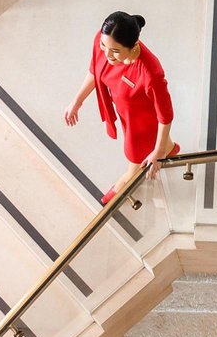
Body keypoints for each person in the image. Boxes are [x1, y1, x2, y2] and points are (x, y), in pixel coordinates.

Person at [63, 11, 178, 202]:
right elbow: (95, 71)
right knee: (154, 147)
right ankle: (169, 147)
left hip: (142, 125)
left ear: (132, 47)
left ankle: (121, 190)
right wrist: (77, 101)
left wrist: (157, 153)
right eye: (103, 45)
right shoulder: (103, 43)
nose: (107, 53)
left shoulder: (150, 72)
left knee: (133, 166)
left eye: (115, 51)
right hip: (125, 112)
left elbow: (165, 115)